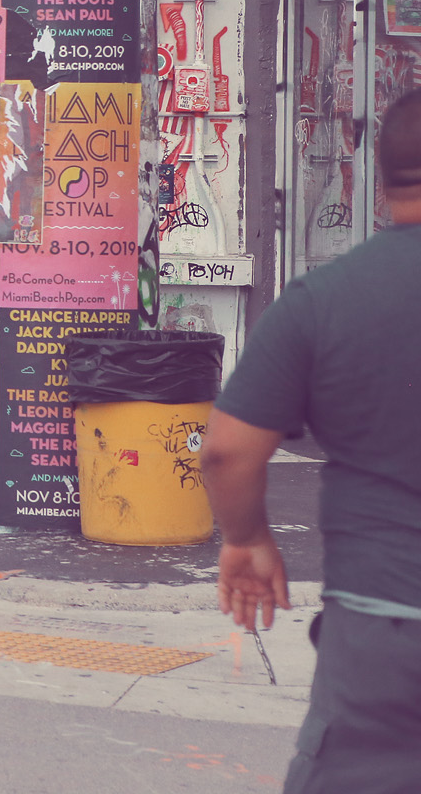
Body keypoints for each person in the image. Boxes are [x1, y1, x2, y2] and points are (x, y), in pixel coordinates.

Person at [202, 88, 421, 793]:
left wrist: (247, 537)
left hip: (381, 636)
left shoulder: (323, 300)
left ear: (380, 180)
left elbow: (227, 450)